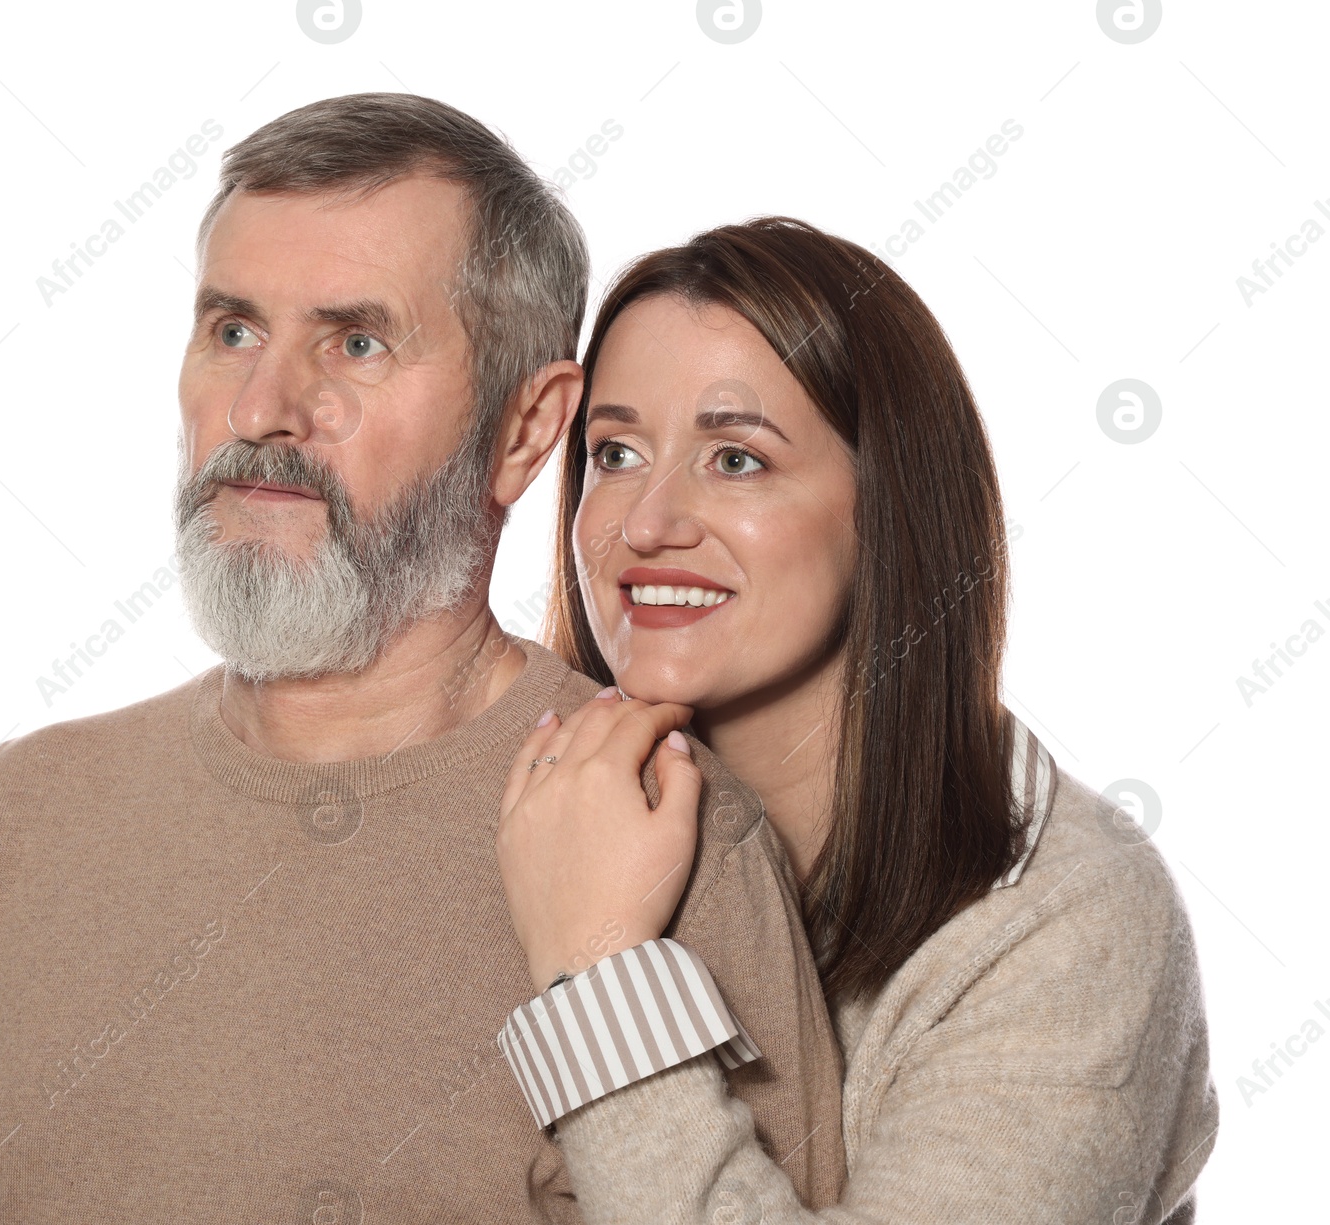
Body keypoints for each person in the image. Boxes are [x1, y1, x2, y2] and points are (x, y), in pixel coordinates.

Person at [0, 96, 847, 1222]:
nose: (261, 408)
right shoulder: (23, 812)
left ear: (526, 429)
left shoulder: (668, 833)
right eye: (233, 330)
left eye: (356, 342)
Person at [494, 217, 1220, 1223]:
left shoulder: (1066, 919)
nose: (646, 523)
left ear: (887, 505)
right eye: (614, 452)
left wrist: (600, 968)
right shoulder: (532, 816)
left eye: (735, 459)